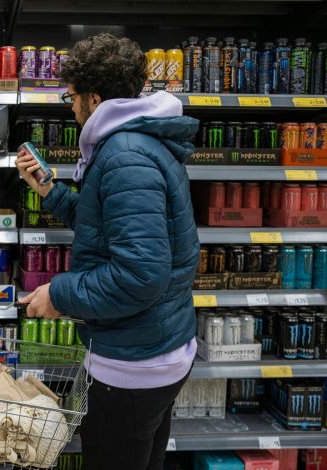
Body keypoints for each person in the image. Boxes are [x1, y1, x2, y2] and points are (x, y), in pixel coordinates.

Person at [17, 33, 200, 470]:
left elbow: (139, 275)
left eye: (72, 96)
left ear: (94, 99)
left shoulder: (124, 155)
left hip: (135, 366)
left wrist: (58, 294)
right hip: (152, 348)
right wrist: (51, 192)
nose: (71, 107)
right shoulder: (134, 142)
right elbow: (109, 226)